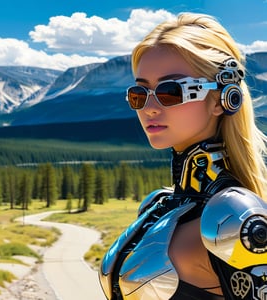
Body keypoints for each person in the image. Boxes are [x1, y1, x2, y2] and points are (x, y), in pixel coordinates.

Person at [98, 12, 267, 300]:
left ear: (221, 99)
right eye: (140, 93)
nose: (149, 107)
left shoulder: (235, 221)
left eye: (171, 91)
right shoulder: (159, 205)